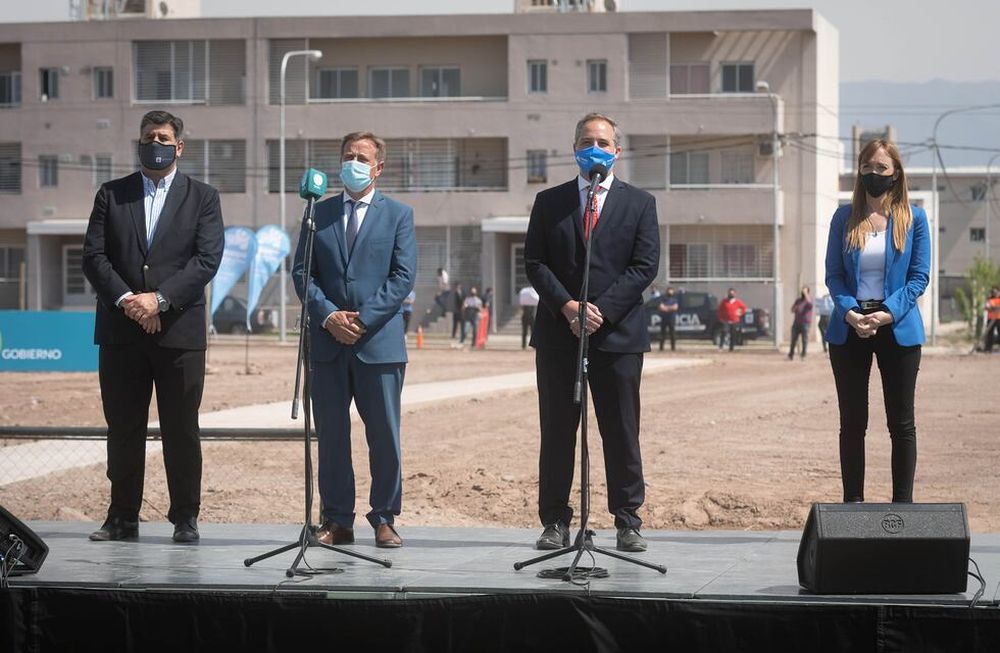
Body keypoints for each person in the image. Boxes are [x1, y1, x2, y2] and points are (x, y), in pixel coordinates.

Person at [82, 110, 224, 544]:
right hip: (122, 333)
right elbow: (95, 257)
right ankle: (122, 517)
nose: (155, 144)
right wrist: (129, 301)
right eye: (148, 137)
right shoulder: (112, 194)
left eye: (163, 137)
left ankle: (185, 517)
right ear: (139, 143)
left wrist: (159, 300)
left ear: (179, 146)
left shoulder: (203, 197)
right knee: (124, 428)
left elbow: (206, 259)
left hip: (178, 333)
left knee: (181, 429)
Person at [524, 112, 659, 553]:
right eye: (587, 141)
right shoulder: (550, 201)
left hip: (617, 335)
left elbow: (644, 266)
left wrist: (601, 310)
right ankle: (556, 521)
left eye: (603, 141)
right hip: (559, 334)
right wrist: (566, 305)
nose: (594, 148)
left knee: (621, 429)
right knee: (558, 429)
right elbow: (535, 262)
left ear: (617, 150)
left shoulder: (639, 203)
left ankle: (627, 519)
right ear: (574, 148)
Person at [292, 131, 416, 548]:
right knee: (331, 436)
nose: (354, 163)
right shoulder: (317, 213)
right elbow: (301, 273)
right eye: (348, 156)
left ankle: (384, 517)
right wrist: (327, 315)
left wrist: (362, 320)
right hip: (327, 345)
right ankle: (337, 520)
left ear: (378, 167)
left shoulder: (398, 215)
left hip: (378, 345)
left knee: (384, 435)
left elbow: (402, 278)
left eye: (362, 157)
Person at [825, 138, 929, 504]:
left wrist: (888, 313)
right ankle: (853, 505)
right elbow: (834, 275)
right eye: (867, 167)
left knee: (901, 425)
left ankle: (903, 508)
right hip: (849, 327)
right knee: (852, 425)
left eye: (881, 168)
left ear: (895, 172)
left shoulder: (914, 218)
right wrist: (851, 312)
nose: (873, 174)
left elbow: (919, 277)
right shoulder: (843, 217)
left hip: (897, 327)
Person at [788, 286, 813, 360]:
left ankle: (803, 355)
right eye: (802, 290)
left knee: (804, 340)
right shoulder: (798, 300)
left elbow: (810, 305)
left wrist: (806, 294)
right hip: (796, 323)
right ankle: (791, 355)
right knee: (793, 339)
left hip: (805, 323)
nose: (803, 292)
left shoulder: (809, 300)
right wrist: (795, 308)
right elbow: (792, 310)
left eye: (805, 291)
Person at [657, 286, 679, 351]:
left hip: (671, 319)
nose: (670, 292)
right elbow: (661, 307)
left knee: (672, 334)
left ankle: (673, 348)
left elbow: (675, 307)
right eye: (669, 290)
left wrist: (666, 308)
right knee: (662, 334)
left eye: (671, 290)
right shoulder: (663, 299)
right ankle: (661, 348)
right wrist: (670, 308)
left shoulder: (674, 300)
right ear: (667, 291)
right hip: (664, 319)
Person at [518, 284, 540, 350]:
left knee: (526, 332)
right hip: (531, 317)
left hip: (526, 316)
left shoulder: (526, 300)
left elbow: (521, 306)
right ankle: (530, 345)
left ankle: (524, 345)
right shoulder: (533, 301)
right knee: (530, 332)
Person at [984, 287, 1000, 353]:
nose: (995, 293)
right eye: (993, 292)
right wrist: (993, 308)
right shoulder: (989, 299)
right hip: (991, 318)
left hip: (999, 318)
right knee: (989, 333)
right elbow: (987, 307)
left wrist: (995, 307)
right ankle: (988, 348)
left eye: (996, 292)